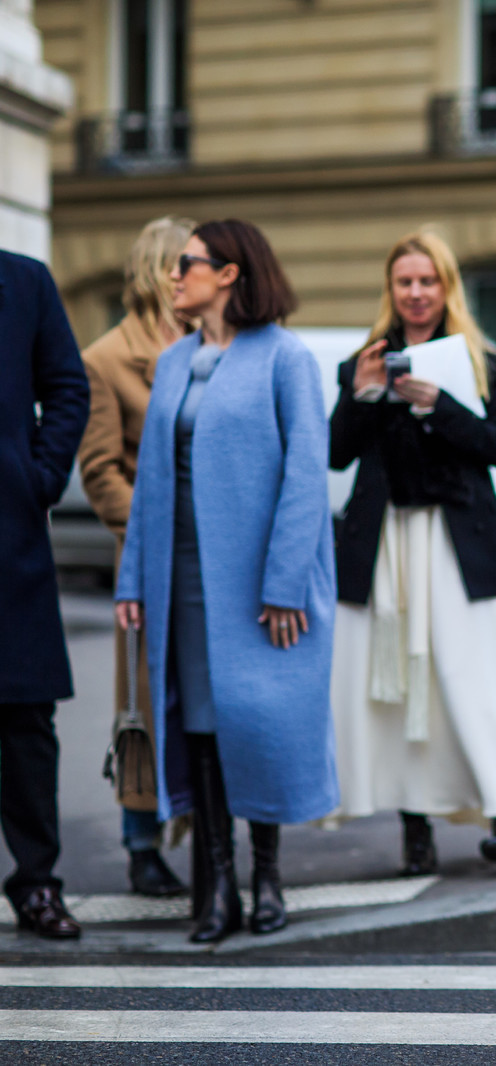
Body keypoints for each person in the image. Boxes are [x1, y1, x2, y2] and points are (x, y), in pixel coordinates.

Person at [115, 219, 340, 944]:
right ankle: (218, 888)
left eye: (189, 264)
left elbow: (308, 476)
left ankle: (268, 877)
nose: (175, 276)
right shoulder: (175, 361)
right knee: (201, 725)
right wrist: (131, 580)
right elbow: (150, 481)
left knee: (260, 723)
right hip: (179, 576)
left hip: (258, 583)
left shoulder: (285, 359)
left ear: (231, 273)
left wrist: (284, 584)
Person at [327, 230, 496, 872]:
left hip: (455, 540)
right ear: (390, 290)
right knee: (392, 684)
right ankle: (414, 825)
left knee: (471, 676)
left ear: (446, 286)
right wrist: (366, 394)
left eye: (428, 281)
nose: (416, 293)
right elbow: (337, 451)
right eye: (405, 282)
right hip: (386, 541)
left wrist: (440, 406)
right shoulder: (365, 361)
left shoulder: (483, 361)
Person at [77, 216, 196, 900]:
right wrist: (158, 532)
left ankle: (209, 824)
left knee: (208, 698)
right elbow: (100, 474)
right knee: (143, 705)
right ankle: (141, 842)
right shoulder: (106, 359)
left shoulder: (216, 345)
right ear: (160, 270)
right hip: (147, 563)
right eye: (189, 262)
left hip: (215, 560)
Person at [0, 250, 89, 940]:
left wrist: (42, 475)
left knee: (26, 720)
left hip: (9, 533)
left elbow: (67, 386)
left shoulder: (24, 280)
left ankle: (37, 885)